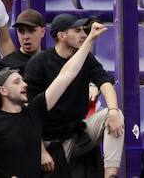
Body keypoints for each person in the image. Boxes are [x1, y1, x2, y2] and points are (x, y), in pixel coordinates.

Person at [0, 21, 105, 178]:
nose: (25, 84)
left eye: (23, 80)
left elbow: (67, 74)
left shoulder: (34, 110)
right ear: (3, 90)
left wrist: (90, 39)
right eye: (17, 82)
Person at [24, 15, 124, 178]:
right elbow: (29, 114)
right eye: (77, 31)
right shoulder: (39, 62)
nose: (83, 35)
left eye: (84, 31)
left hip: (78, 134)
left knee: (115, 115)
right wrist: (40, 151)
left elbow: (105, 84)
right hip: (50, 141)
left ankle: (111, 176)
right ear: (61, 36)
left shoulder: (87, 58)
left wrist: (112, 111)